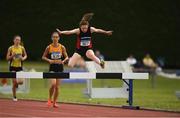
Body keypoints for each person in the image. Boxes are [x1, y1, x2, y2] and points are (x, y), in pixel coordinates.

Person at [42, 32, 68, 108]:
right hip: (52, 68)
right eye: (54, 37)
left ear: (59, 38)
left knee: (57, 87)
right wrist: (49, 60)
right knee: (53, 84)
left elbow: (67, 57)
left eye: (57, 37)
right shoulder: (49, 47)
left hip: (60, 68)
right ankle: (49, 99)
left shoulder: (62, 47)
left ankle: (54, 103)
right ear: (51, 38)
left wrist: (63, 61)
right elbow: (43, 57)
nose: (55, 38)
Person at [6, 35, 27, 101]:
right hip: (12, 67)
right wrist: (12, 55)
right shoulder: (10, 48)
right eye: (16, 40)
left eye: (19, 40)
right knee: (14, 82)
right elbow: (7, 58)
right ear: (14, 40)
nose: (18, 41)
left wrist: (23, 58)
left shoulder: (22, 48)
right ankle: (14, 96)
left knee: (21, 82)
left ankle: (16, 85)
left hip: (19, 67)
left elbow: (26, 55)